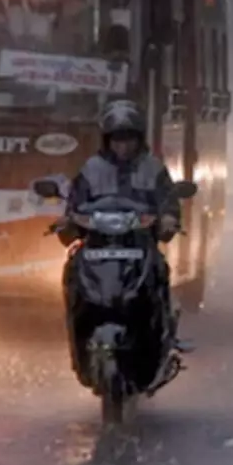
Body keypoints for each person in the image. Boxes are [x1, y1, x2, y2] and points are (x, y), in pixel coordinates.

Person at [56, 100, 186, 382]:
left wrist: (167, 219)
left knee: (159, 271)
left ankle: (161, 331)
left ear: (139, 139)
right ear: (107, 140)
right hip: (100, 247)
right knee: (71, 272)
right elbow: (75, 204)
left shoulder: (153, 169)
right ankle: (79, 342)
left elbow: (168, 202)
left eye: (128, 139)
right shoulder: (91, 170)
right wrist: (68, 221)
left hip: (138, 246)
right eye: (117, 139)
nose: (123, 146)